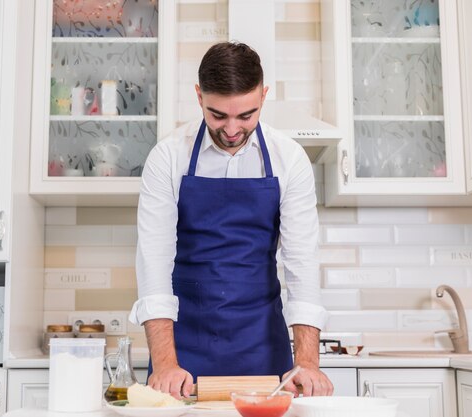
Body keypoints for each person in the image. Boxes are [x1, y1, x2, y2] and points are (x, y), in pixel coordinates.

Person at [129, 41, 332, 399]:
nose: (233, 129)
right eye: (218, 115)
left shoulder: (290, 159)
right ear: (199, 97)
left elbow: (301, 263)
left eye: (246, 115)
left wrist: (308, 363)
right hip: (182, 351)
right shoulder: (168, 157)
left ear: (263, 96)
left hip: (262, 348)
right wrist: (163, 363)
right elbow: (154, 263)